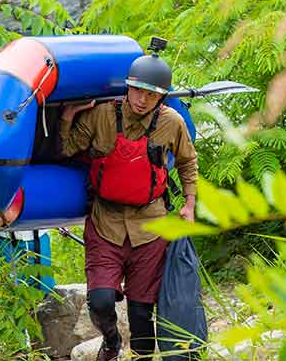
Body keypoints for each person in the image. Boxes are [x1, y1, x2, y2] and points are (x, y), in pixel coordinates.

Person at [59, 41, 197, 361]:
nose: (141, 99)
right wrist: (68, 117)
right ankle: (110, 341)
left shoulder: (172, 123)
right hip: (105, 222)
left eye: (151, 94)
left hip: (151, 225)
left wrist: (189, 203)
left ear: (161, 97)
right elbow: (68, 149)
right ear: (128, 86)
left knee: (141, 311)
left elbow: (188, 162)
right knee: (101, 301)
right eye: (137, 90)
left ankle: (143, 357)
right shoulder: (102, 116)